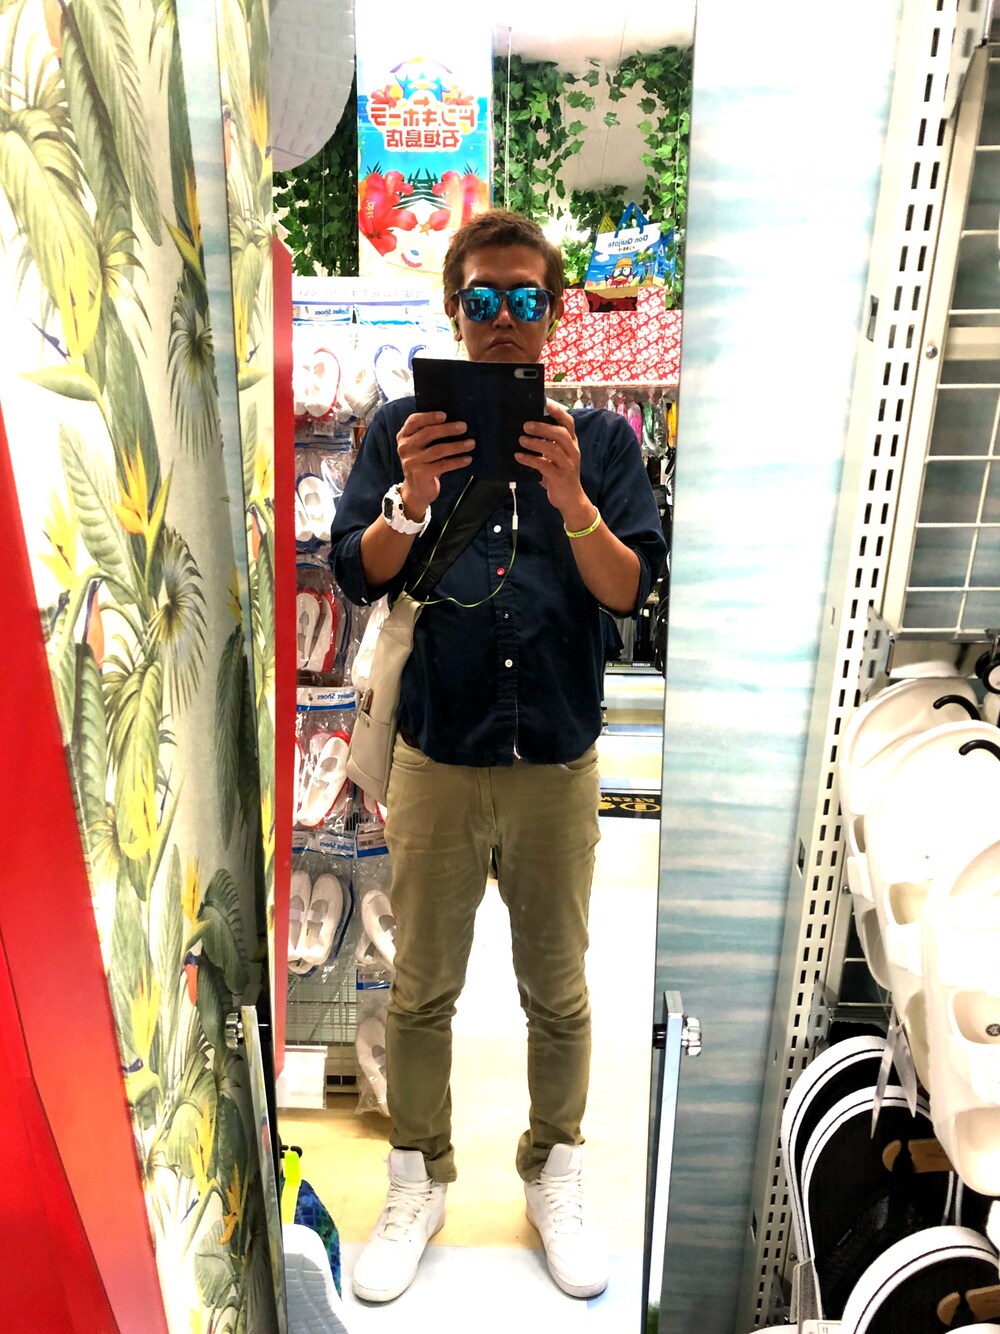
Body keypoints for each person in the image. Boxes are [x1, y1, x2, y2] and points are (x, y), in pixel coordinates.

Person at [329, 209, 666, 1305]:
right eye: (484, 298)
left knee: (558, 992)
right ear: (454, 309)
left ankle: (553, 1171)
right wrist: (411, 500)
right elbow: (358, 572)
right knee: (422, 987)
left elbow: (628, 589)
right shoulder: (401, 430)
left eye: (528, 299)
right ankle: (416, 1178)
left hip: (556, 761)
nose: (506, 318)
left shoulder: (603, 444)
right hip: (436, 755)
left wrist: (572, 501)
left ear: (555, 314)